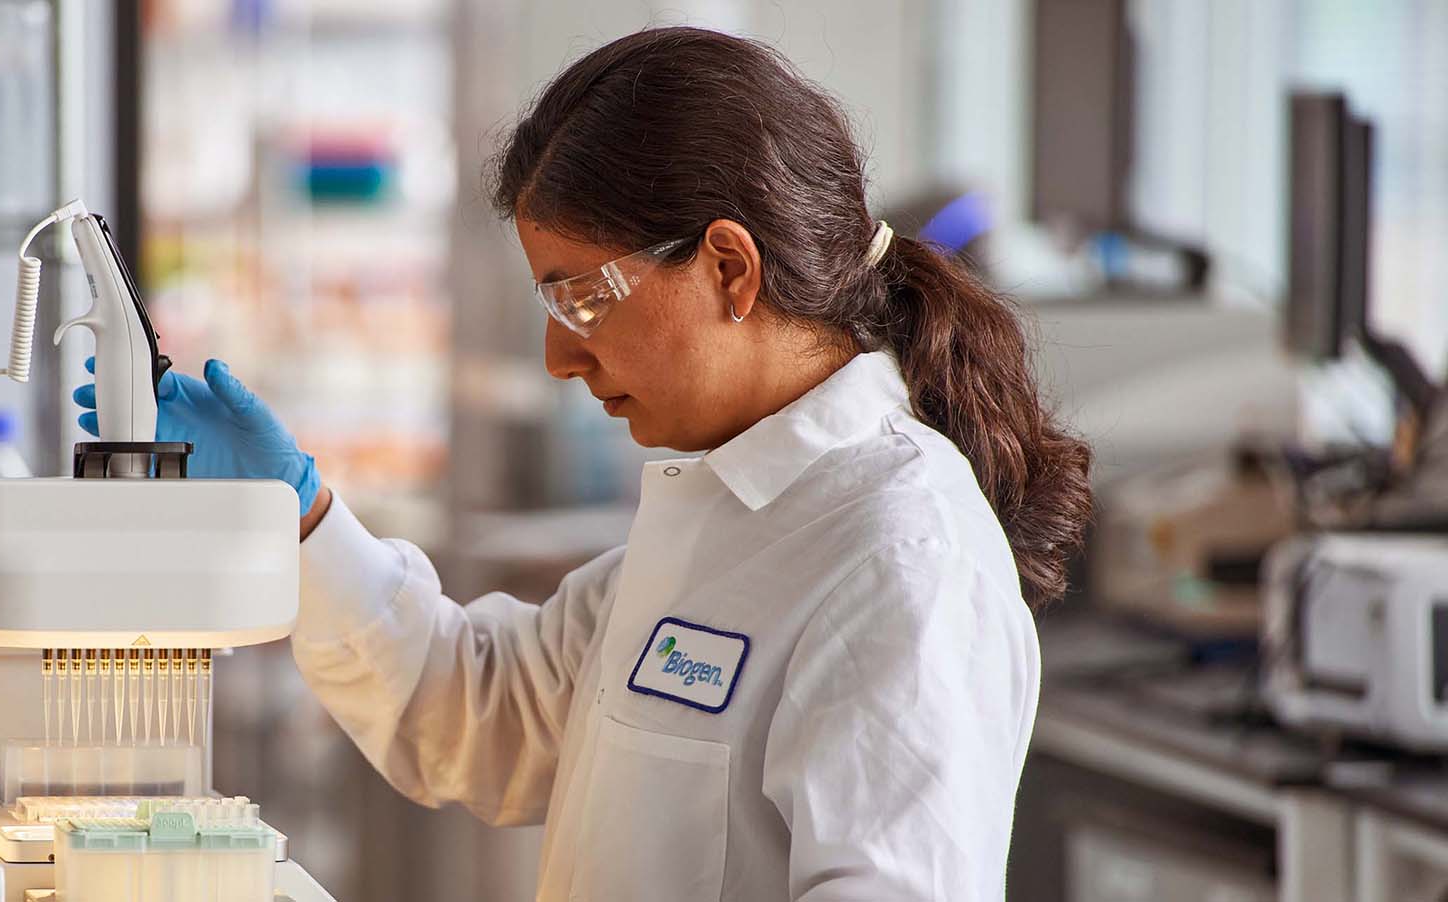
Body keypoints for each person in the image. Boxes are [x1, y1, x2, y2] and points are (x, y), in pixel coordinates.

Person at [75, 26, 1092, 902]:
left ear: (729, 268)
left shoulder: (897, 560)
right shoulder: (722, 506)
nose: (560, 356)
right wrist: (296, 511)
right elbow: (474, 710)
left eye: (582, 299)